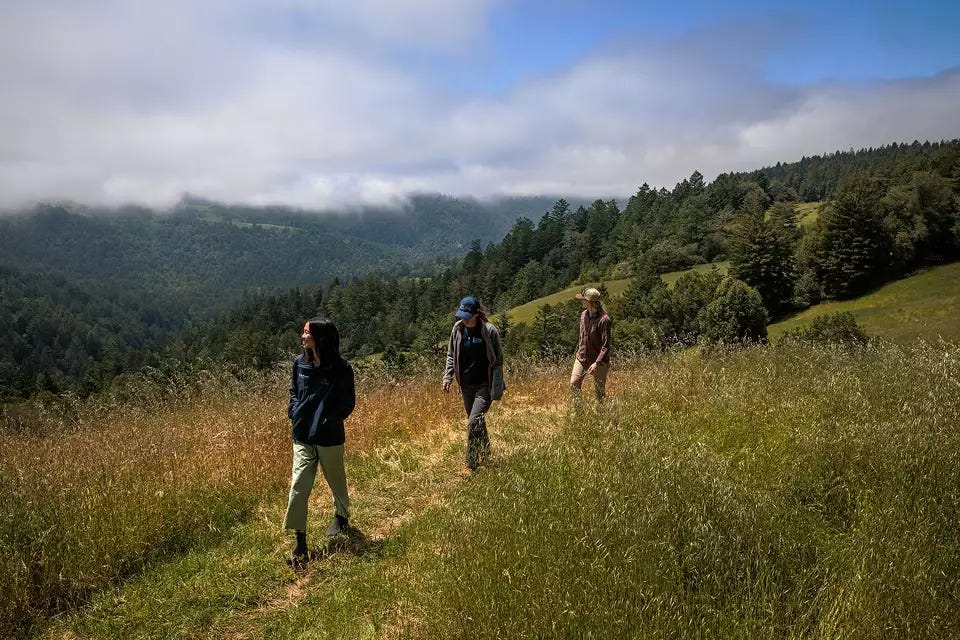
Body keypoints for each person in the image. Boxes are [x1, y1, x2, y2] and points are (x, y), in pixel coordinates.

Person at [284, 317, 356, 566]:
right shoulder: (300, 363)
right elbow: (294, 390)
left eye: (306, 333)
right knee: (299, 486)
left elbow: (348, 402)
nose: (302, 337)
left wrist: (329, 420)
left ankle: (341, 516)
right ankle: (300, 541)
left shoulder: (341, 368)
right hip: (302, 434)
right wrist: (293, 410)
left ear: (320, 338)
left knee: (336, 480)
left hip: (329, 437)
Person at [442, 296, 505, 476]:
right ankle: (485, 453)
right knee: (477, 421)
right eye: (462, 314)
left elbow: (498, 361)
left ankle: (470, 464)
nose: (463, 318)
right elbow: (451, 355)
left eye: (467, 315)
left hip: (484, 385)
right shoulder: (458, 329)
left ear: (477, 313)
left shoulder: (489, 331)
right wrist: (448, 377)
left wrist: (496, 389)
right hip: (466, 386)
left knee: (473, 422)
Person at [571, 287, 611, 401]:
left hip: (599, 361)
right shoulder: (583, 314)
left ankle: (603, 416)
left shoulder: (604, 320)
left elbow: (606, 345)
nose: (581, 301)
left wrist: (597, 363)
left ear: (589, 302)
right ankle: (579, 415)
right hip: (582, 357)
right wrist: (579, 352)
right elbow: (581, 336)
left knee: (599, 394)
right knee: (574, 384)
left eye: (583, 299)